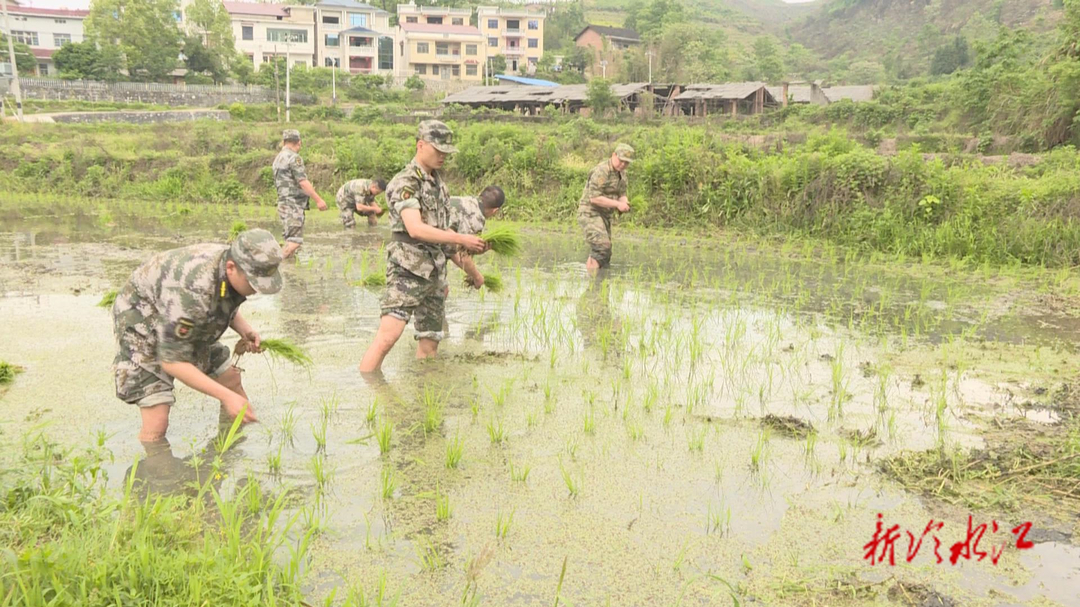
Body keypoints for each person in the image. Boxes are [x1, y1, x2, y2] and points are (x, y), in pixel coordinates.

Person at [111, 229, 284, 441]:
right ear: (231, 268)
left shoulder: (230, 263)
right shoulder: (194, 291)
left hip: (180, 314)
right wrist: (226, 397)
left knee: (230, 379)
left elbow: (222, 299)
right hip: (142, 321)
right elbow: (172, 361)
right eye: (253, 283)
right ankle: (153, 470)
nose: (256, 290)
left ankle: (228, 451)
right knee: (157, 421)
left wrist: (244, 329)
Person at [358, 120, 486, 373]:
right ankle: (370, 390)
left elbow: (444, 238)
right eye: (438, 151)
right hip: (407, 270)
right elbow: (415, 229)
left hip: (435, 275)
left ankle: (423, 392)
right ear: (420, 145)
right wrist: (461, 238)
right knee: (387, 337)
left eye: (446, 153)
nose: (443, 157)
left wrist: (474, 273)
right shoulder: (406, 182)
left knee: (430, 342)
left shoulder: (440, 186)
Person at [578, 143, 634, 271]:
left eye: (626, 163)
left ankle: (599, 284)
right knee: (601, 247)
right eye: (621, 161)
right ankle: (594, 284)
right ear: (614, 155)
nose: (623, 165)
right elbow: (594, 198)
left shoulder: (622, 174)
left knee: (605, 254)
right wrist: (618, 204)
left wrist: (625, 203)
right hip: (590, 212)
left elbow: (622, 193)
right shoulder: (602, 171)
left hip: (605, 215)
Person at [273, 129, 328, 259]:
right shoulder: (294, 158)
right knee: (294, 242)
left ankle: (287, 271)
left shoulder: (278, 158)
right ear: (299, 143)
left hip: (284, 203)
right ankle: (274, 265)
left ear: (284, 141)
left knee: (290, 239)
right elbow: (303, 182)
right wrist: (318, 200)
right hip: (293, 204)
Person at [445, 185, 506, 289]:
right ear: (495, 211)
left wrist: (476, 251)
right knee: (438, 292)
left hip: (420, 238)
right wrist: (477, 277)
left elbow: (451, 249)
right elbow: (462, 255)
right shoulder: (476, 218)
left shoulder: (468, 201)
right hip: (423, 246)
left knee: (442, 290)